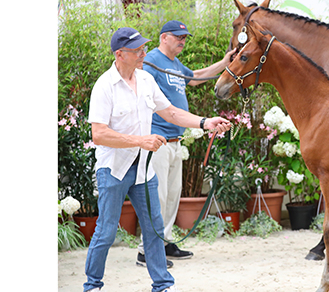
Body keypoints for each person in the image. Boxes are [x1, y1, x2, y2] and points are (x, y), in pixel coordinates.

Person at [84, 27, 231, 292]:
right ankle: (92, 285)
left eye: (143, 48)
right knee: (105, 232)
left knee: (154, 229)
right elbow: (99, 134)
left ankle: (162, 285)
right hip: (113, 170)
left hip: (143, 169)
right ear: (120, 54)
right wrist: (141, 141)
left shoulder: (146, 81)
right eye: (137, 50)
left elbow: (171, 112)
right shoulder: (104, 86)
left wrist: (205, 122)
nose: (143, 54)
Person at [136, 20, 236, 266]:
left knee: (171, 196)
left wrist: (225, 62)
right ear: (164, 38)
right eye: (178, 37)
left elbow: (196, 77)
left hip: (175, 140)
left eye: (184, 37)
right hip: (156, 139)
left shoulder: (173, 63)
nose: (182, 41)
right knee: (156, 197)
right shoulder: (151, 62)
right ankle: (146, 251)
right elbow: (145, 98)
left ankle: (165, 241)